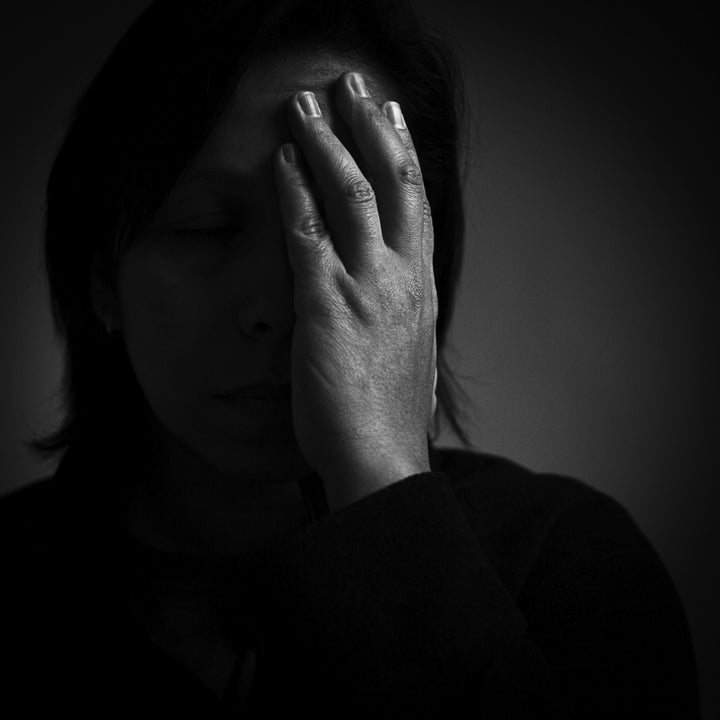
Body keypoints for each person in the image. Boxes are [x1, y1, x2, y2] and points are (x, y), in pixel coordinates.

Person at [0, 0, 700, 717]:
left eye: (341, 224)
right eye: (207, 228)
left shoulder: (568, 565)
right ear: (101, 279)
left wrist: (382, 478)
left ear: (418, 275)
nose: (286, 303)